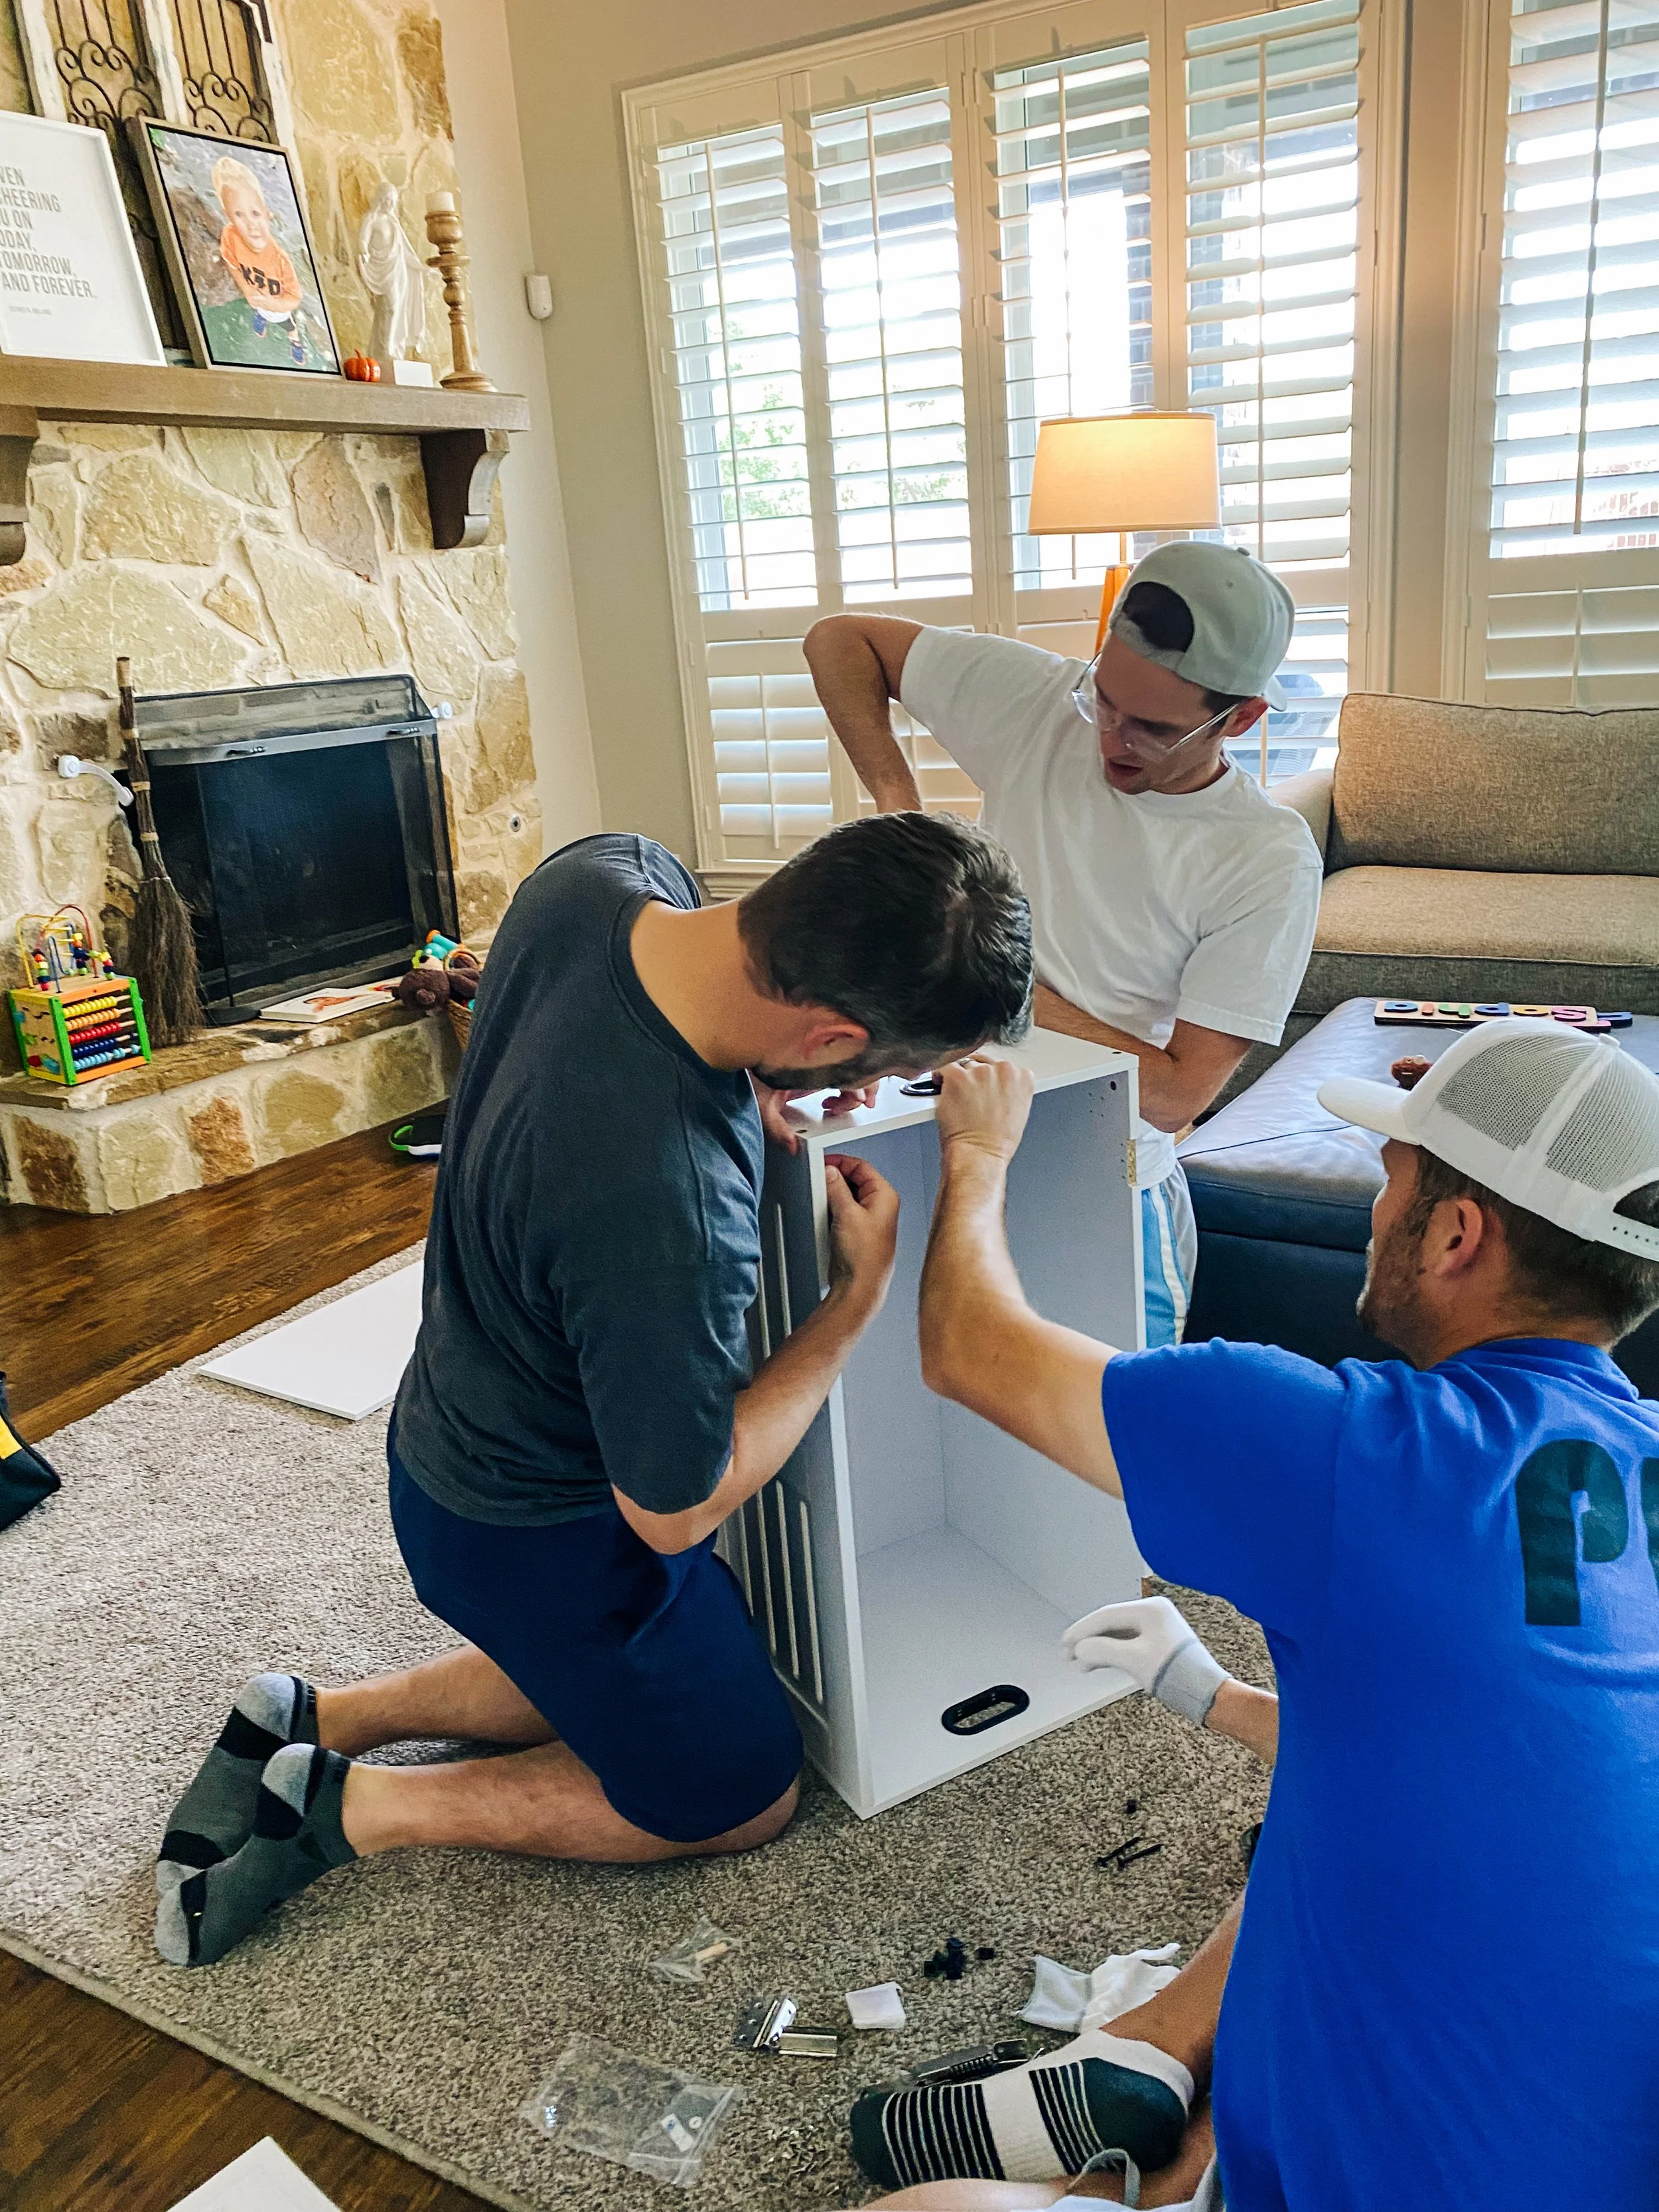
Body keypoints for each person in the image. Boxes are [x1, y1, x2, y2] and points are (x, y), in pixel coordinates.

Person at [155, 815, 1033, 1968]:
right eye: (876, 1064)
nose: (870, 1087)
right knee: (742, 1790)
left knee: (643, 1669)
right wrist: (853, 1303)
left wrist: (763, 1100)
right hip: (533, 1532)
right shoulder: (670, 1203)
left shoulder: (599, 878)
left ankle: (312, 1713)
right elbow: (674, 1510)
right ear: (831, 1028)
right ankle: (355, 1805)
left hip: (445, 1437)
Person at [861, 1019, 1659, 2207]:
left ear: (1455, 1232)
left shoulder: (1353, 1449)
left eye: (1392, 1187)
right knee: (1356, 1823)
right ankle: (1157, 2064)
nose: (1372, 1213)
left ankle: (1151, 2158)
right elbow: (1496, 1747)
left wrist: (976, 1152)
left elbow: (971, 1347)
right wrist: (1216, 1694)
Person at [804, 542, 1323, 1343]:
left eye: (1152, 729)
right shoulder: (1043, 701)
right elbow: (840, 641)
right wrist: (896, 801)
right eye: (1105, 701)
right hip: (948, 1150)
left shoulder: (1265, 858)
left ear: (1242, 718)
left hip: (1105, 1187)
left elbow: (1180, 1095)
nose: (1112, 739)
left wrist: (993, 984)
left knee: (1110, 1460)